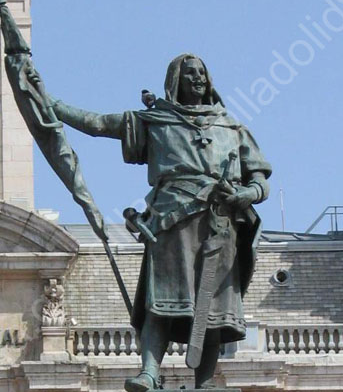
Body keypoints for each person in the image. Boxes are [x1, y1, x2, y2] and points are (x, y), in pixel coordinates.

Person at [51, 53, 271, 391]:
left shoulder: (231, 127)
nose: (198, 78)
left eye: (202, 73)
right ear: (175, 81)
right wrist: (50, 103)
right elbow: (96, 124)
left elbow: (260, 179)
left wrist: (248, 195)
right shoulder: (157, 121)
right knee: (162, 298)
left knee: (213, 303)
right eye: (190, 74)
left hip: (220, 221)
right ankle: (149, 372)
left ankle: (207, 379)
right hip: (172, 220)